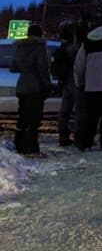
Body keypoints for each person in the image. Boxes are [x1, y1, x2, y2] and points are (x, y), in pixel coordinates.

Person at [11, 24, 52, 156]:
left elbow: (14, 67)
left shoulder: (19, 47)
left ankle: (19, 144)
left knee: (23, 117)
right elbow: (43, 68)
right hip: (35, 86)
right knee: (34, 119)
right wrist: (47, 84)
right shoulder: (40, 47)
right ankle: (31, 147)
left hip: (22, 85)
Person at [52, 23, 82, 147]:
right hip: (76, 82)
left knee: (64, 112)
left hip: (65, 82)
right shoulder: (76, 50)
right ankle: (79, 138)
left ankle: (63, 137)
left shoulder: (60, 50)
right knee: (79, 111)